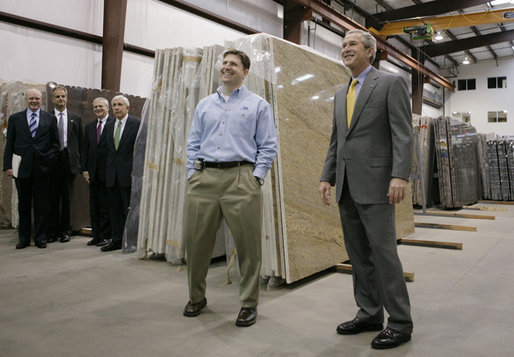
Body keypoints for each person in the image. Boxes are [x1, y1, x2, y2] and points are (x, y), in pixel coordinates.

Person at [319, 29, 414, 349]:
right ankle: (370, 313)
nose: (345, 49)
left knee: (384, 255)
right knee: (359, 256)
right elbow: (338, 140)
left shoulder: (389, 83)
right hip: (347, 186)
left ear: (370, 52)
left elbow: (403, 133)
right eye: (343, 45)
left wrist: (400, 175)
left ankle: (400, 322)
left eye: (352, 45)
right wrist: (327, 176)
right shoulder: (340, 92)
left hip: (377, 186)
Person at [183, 49, 277, 327]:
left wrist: (256, 177)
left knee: (248, 246)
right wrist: (192, 174)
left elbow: (268, 145)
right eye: (224, 63)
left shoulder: (258, 105)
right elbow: (193, 142)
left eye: (233, 64)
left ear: (245, 72)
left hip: (241, 178)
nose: (226, 67)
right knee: (197, 242)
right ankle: (196, 297)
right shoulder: (205, 105)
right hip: (205, 178)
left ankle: (249, 303)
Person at [3, 88, 60, 249]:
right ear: (26, 100)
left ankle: (41, 237)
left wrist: (49, 159)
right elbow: (10, 145)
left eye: (37, 99)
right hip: (22, 169)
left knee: (42, 205)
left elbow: (56, 144)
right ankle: (24, 238)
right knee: (24, 205)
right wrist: (8, 166)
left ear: (41, 100)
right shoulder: (15, 119)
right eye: (31, 99)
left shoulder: (50, 119)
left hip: (43, 169)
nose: (34, 101)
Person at [101, 95, 140, 252]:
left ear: (127, 108)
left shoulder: (136, 124)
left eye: (120, 105)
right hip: (112, 175)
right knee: (114, 210)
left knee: (129, 210)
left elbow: (140, 150)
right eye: (114, 105)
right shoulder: (109, 125)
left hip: (129, 175)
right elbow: (106, 151)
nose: (117, 108)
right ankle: (116, 241)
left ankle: (131, 242)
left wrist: (137, 172)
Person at [47, 85, 83, 243]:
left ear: (67, 98)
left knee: (67, 199)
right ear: (52, 99)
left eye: (63, 96)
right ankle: (52, 231)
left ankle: (65, 231)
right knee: (52, 199)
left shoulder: (76, 118)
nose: (60, 99)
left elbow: (80, 142)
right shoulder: (47, 118)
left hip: (69, 162)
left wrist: (80, 164)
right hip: (53, 162)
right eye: (57, 97)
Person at [81, 97, 113, 247]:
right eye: (96, 107)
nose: (98, 109)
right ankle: (96, 235)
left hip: (107, 172)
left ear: (107, 108)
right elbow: (85, 150)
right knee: (94, 206)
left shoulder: (114, 125)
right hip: (92, 173)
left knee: (106, 205)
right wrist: (85, 169)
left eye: (101, 106)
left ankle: (106, 236)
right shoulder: (89, 127)